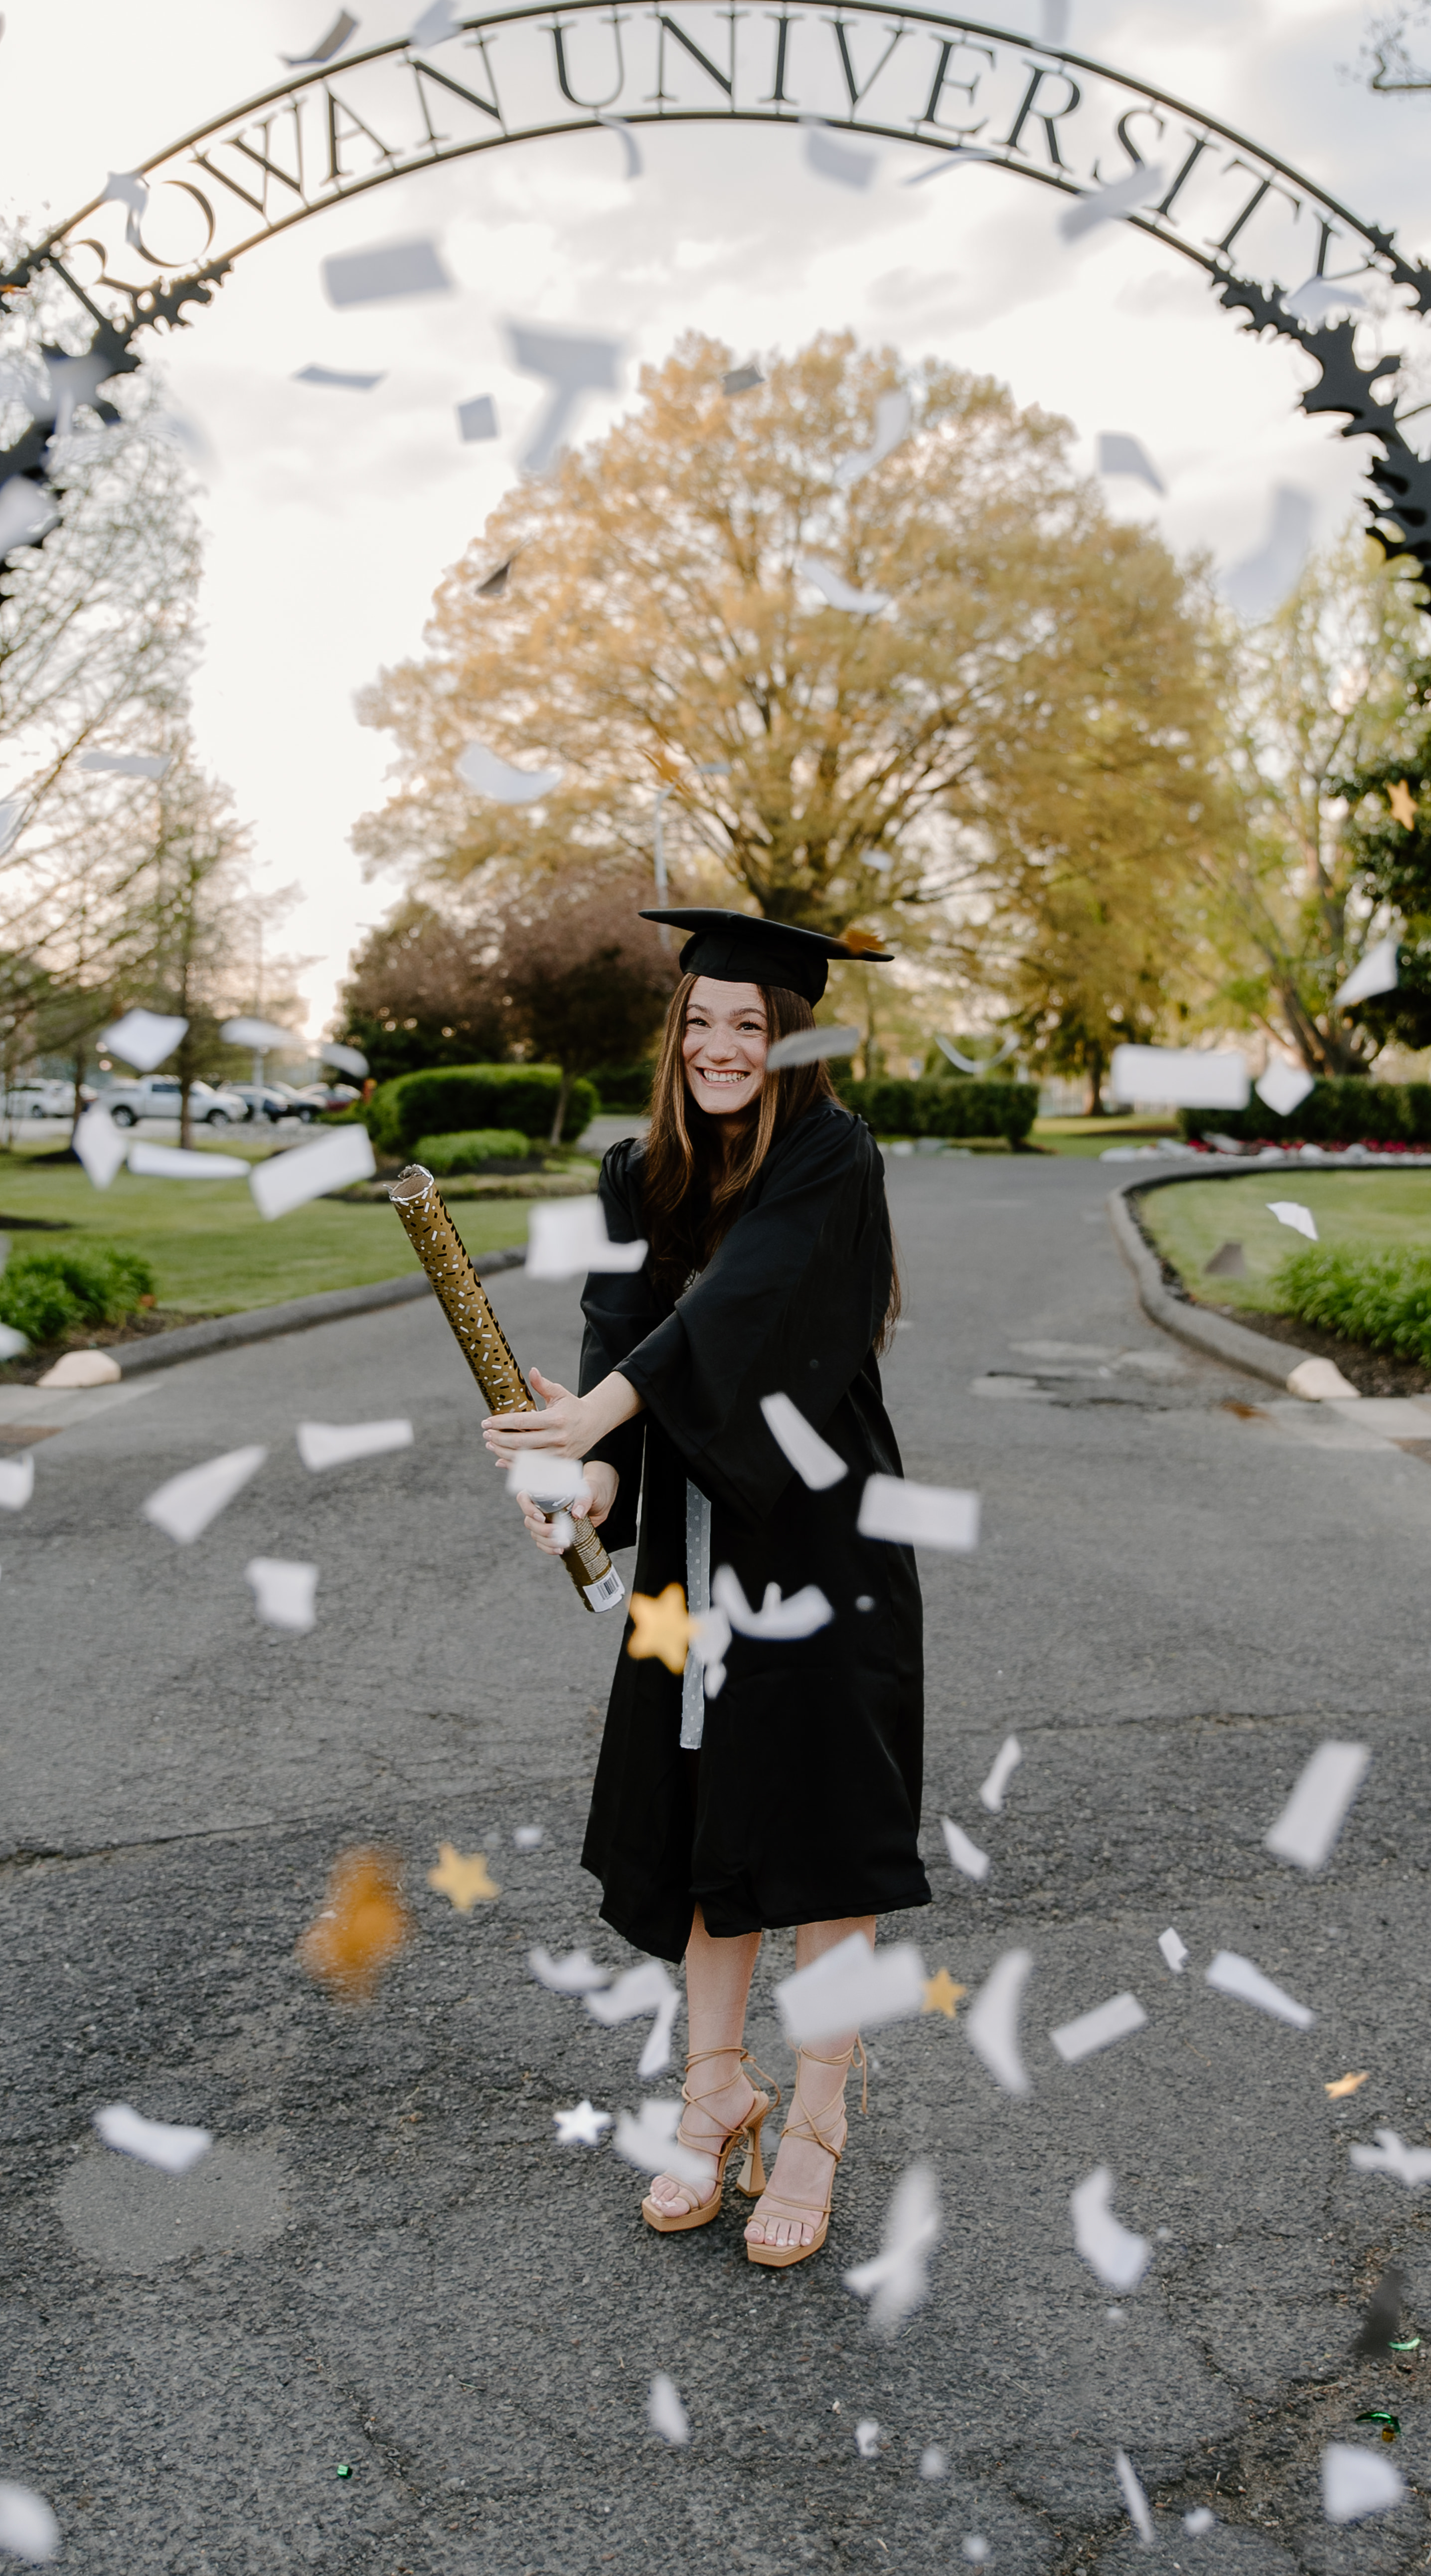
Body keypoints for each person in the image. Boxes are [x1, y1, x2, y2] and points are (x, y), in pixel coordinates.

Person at [480, 908, 931, 2269]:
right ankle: (715, 2085)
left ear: (791, 1043)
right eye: (700, 1023)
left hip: (822, 1535)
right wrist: (590, 1471)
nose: (720, 1046)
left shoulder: (830, 1159)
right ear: (673, 1039)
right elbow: (621, 1334)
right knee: (698, 1808)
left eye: (750, 1025)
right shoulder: (637, 1176)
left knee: (827, 1821)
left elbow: (741, 1309)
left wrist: (604, 1411)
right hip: (689, 1546)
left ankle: (819, 2112)